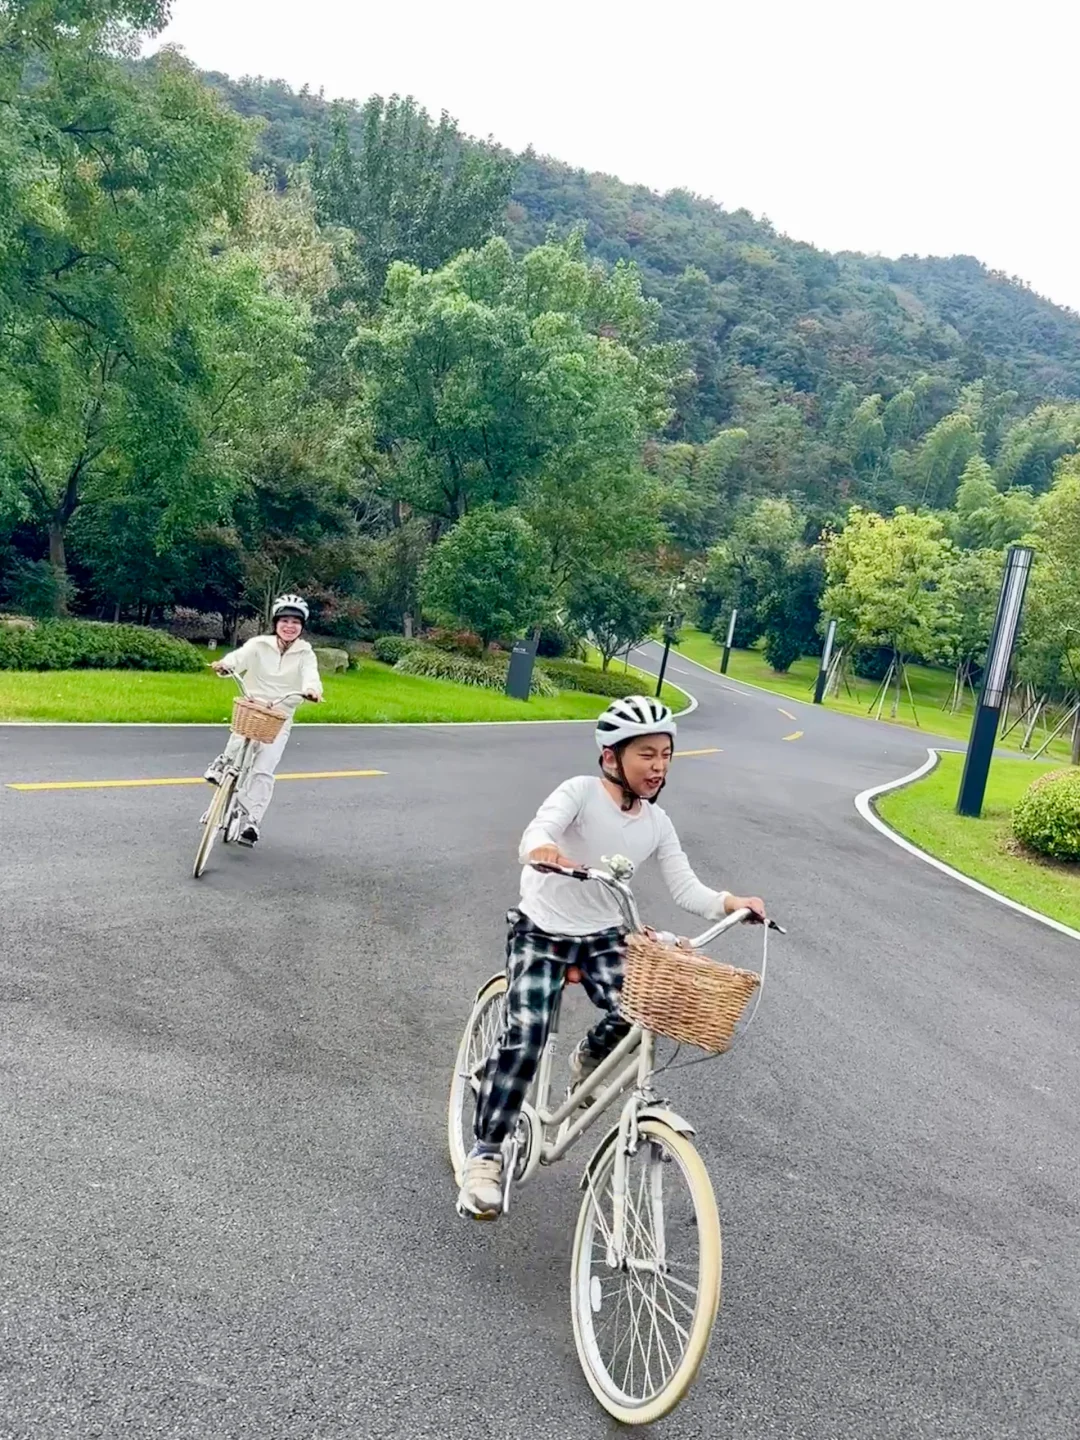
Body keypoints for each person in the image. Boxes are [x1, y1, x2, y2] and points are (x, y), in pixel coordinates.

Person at [457, 693, 767, 1220]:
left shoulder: (656, 822)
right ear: (611, 757)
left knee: (649, 1008)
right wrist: (544, 852)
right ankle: (486, 1155)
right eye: (646, 753)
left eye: (666, 754)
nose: (658, 766)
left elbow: (685, 886)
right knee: (527, 1033)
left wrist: (730, 902)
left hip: (603, 935)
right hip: (543, 932)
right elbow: (539, 830)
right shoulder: (579, 793)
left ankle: (588, 1056)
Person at [203, 594, 323, 845]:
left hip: (280, 714)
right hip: (253, 704)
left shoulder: (305, 653)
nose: (290, 626)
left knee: (264, 768)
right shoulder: (259, 644)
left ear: (302, 626)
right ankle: (223, 765)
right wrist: (225, 665)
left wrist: (312, 690)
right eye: (285, 620)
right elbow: (239, 658)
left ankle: (251, 821)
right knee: (238, 741)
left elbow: (310, 675)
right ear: (276, 622)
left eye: (295, 622)